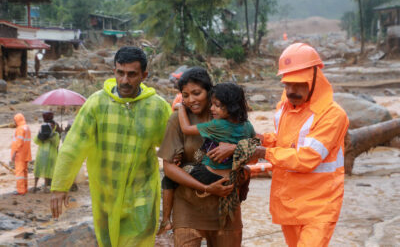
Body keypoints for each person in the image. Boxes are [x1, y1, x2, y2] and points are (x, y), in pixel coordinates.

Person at [50, 46, 171, 247]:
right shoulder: (96, 103)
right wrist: (59, 186)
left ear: (144, 75)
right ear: (114, 71)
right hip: (105, 194)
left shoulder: (157, 107)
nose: (125, 80)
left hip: (142, 194)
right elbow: (73, 146)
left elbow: (174, 146)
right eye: (120, 73)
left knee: (138, 242)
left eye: (132, 74)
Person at [250, 43, 349, 246]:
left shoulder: (332, 115)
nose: (291, 91)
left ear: (314, 79)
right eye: (287, 84)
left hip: (319, 205)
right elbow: (287, 140)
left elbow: (307, 158)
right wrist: (262, 139)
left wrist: (264, 151)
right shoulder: (285, 106)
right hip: (289, 201)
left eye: (298, 84)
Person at [158, 67, 244, 247]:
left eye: (197, 93)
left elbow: (255, 148)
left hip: (225, 206)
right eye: (186, 95)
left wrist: (234, 148)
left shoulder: (229, 117)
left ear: (210, 91)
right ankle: (166, 220)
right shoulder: (177, 120)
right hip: (188, 204)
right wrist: (205, 187)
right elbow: (169, 167)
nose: (191, 100)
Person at [33, 112, 60, 193]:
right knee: (38, 169)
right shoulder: (43, 133)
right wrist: (40, 134)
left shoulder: (55, 134)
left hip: (49, 155)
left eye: (53, 126)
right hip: (43, 154)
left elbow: (56, 143)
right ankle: (35, 186)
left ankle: (45, 187)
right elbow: (36, 141)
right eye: (50, 126)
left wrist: (51, 136)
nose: (52, 127)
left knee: (48, 171)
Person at [11, 113, 32, 195]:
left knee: (19, 173)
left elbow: (19, 143)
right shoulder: (27, 127)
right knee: (24, 172)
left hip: (20, 154)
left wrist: (14, 153)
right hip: (26, 153)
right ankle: (25, 188)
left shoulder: (20, 129)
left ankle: (20, 190)